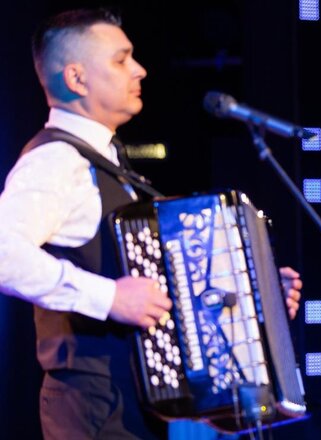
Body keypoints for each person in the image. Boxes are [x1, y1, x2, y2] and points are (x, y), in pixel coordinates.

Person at [0, 8, 302, 439]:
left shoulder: (108, 163)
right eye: (121, 60)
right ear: (77, 78)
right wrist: (109, 297)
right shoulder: (55, 160)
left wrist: (255, 298)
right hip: (95, 406)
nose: (139, 70)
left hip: (134, 403)